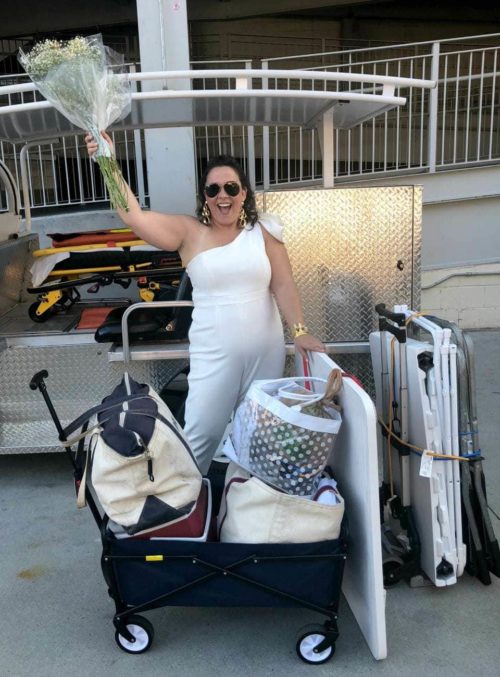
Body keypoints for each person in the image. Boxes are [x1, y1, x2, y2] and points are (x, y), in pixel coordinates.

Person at [85, 132, 325, 473]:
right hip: (214, 357)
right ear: (205, 197)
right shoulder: (189, 232)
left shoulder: (265, 231)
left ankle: (241, 508)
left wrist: (300, 331)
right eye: (213, 190)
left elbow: (283, 283)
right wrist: (107, 162)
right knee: (200, 435)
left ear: (244, 193)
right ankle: (181, 511)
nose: (222, 196)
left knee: (257, 437)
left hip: (266, 354)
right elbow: (133, 216)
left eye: (230, 187)